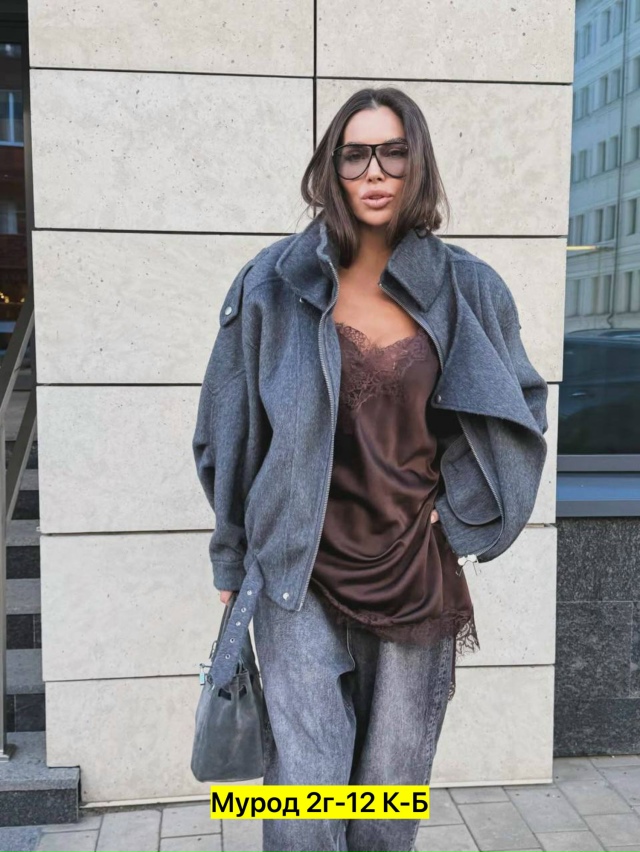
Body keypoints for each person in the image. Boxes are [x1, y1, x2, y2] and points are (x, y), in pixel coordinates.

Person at [192, 85, 549, 852]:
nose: (375, 171)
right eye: (355, 155)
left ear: (418, 163)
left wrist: (460, 512)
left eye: (393, 152)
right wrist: (229, 554)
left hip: (413, 572)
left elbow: (518, 406)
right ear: (332, 167)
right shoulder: (273, 283)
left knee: (387, 800)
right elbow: (229, 429)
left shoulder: (468, 289)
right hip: (296, 572)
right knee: (305, 794)